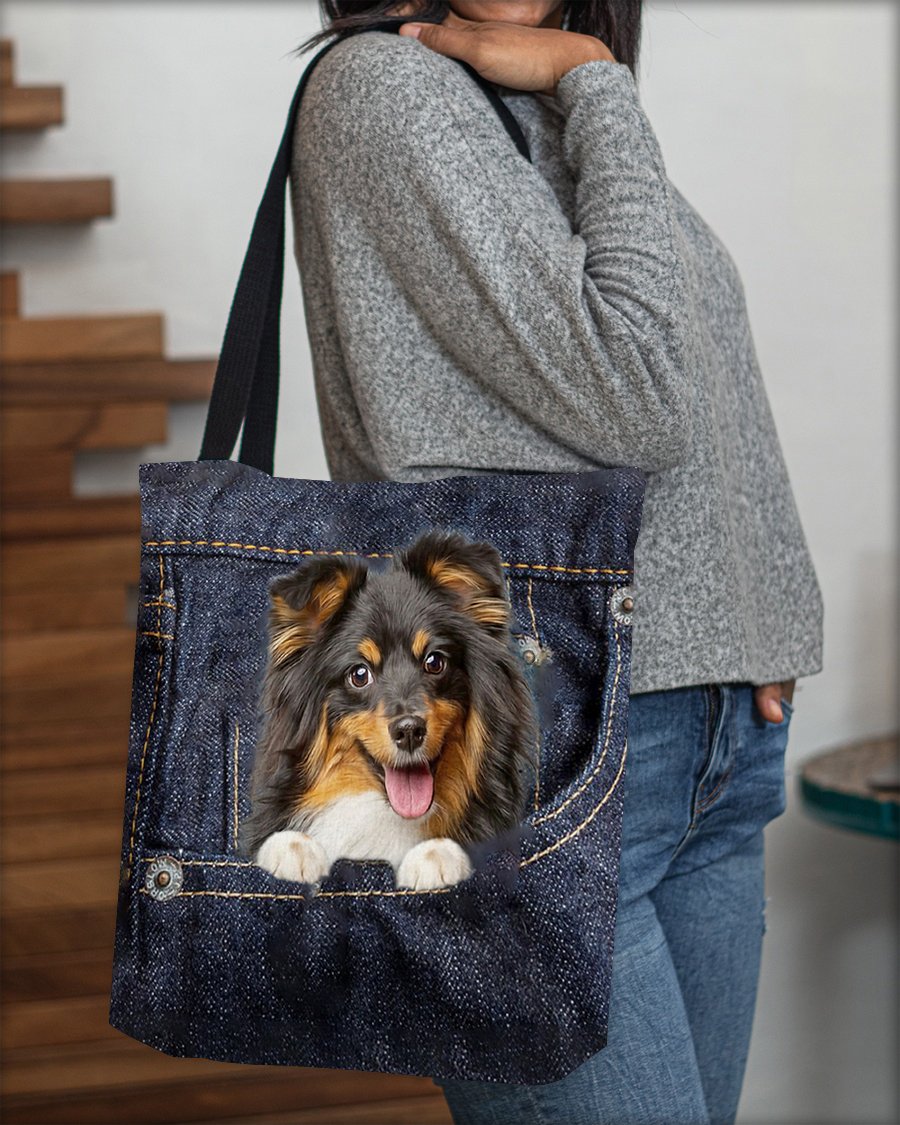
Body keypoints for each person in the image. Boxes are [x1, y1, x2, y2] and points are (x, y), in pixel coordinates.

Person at [287, 2, 824, 1122]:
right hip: (549, 757)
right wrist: (598, 77)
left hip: (706, 748)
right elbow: (640, 391)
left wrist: (754, 628)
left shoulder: (532, 97)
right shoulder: (389, 90)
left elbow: (703, 369)